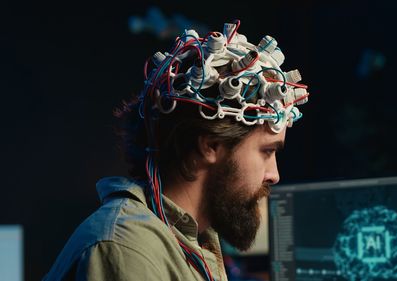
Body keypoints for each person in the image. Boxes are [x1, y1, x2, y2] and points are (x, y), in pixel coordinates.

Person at [44, 20, 309, 281]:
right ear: (210, 146)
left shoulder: (193, 237)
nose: (274, 174)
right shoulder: (129, 249)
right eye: (266, 151)